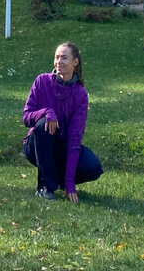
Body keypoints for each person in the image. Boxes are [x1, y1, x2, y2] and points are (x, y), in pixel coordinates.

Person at [22, 41, 103, 202]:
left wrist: (70, 183)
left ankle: (58, 180)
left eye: (64, 58)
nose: (59, 62)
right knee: (44, 124)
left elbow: (74, 140)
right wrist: (47, 112)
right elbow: (27, 117)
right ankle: (44, 186)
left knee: (92, 167)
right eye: (57, 57)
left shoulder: (80, 95)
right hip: (36, 145)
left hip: (61, 145)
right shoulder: (41, 82)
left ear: (75, 62)